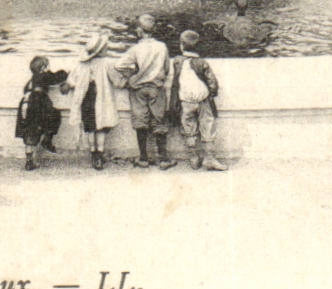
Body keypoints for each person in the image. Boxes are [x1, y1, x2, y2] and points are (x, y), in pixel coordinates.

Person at [112, 14, 176, 169]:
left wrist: (132, 76)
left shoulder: (135, 49)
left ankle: (143, 158)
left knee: (140, 121)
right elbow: (167, 68)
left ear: (139, 31)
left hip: (138, 89)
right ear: (154, 29)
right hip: (156, 88)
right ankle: (163, 159)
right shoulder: (162, 47)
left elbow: (119, 65)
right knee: (159, 120)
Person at [170, 30, 226, 171]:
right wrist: (211, 94)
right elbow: (213, 82)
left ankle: (193, 158)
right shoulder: (202, 63)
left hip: (185, 102)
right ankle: (210, 159)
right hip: (203, 101)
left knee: (189, 129)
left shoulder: (177, 61)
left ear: (181, 45)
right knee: (207, 128)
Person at [63, 32, 120, 170]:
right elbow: (117, 80)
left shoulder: (81, 65)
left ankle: (93, 153)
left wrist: (67, 85)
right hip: (101, 100)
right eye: (105, 47)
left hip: (87, 100)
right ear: (101, 50)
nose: (107, 49)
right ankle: (99, 154)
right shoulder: (107, 63)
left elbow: (71, 81)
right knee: (101, 127)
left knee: (90, 128)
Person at [14, 56, 67, 171]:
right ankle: (47, 139)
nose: (49, 69)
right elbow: (57, 77)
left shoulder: (31, 79)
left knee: (29, 131)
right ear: (43, 68)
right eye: (47, 66)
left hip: (25, 104)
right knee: (55, 115)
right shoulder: (43, 75)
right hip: (38, 102)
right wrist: (66, 72)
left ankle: (29, 161)